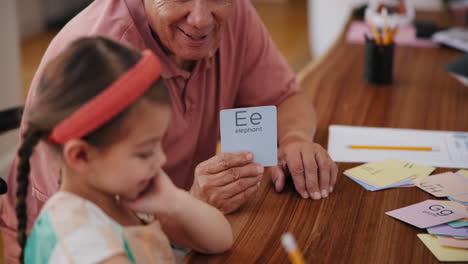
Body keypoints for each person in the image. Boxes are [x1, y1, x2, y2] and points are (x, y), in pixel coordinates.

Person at [1, 0, 338, 261]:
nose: (202, 18)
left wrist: (293, 137)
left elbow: (283, 96)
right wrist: (188, 204)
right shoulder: (99, 61)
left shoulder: (147, 186)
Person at [16, 37, 232, 263]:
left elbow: (220, 240)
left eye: (159, 143)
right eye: (145, 152)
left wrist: (173, 201)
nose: (161, 159)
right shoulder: (81, 243)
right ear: (81, 155)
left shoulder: (121, 196)